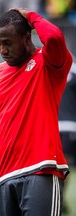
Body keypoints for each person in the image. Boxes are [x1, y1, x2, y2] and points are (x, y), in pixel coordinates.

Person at [0, 8, 73, 216]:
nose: (2, 50)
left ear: (27, 37)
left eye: (7, 43)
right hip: (4, 177)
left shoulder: (48, 63)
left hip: (41, 171)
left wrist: (31, 16)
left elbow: (54, 37)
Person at [58, 62, 76, 214]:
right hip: (48, 124)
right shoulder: (44, 67)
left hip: (68, 126)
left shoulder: (74, 71)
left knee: (64, 165)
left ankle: (60, 198)